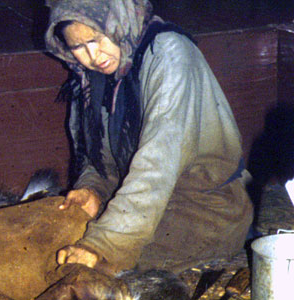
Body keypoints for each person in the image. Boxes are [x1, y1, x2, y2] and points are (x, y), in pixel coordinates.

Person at [44, 0, 253, 275]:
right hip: (144, 202)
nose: (93, 55)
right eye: (78, 47)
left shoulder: (169, 55)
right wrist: (92, 190)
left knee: (90, 264)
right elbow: (97, 158)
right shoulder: (94, 75)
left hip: (206, 207)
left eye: (97, 39)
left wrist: (102, 245)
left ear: (118, 22)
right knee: (53, 237)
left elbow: (156, 166)